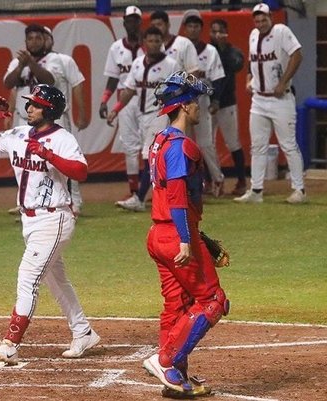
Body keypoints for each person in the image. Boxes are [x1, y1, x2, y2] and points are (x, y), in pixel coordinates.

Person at [0, 85, 100, 365]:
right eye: (30, 104)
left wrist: (48, 155)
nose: (29, 108)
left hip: (54, 218)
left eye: (35, 104)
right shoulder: (19, 134)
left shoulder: (62, 139)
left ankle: (11, 343)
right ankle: (83, 331)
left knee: (28, 277)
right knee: (56, 280)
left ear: (49, 109)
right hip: (29, 220)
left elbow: (81, 171)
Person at [142, 71, 229, 398]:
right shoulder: (181, 146)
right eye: (195, 102)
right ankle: (166, 361)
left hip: (158, 233)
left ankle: (174, 378)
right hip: (175, 235)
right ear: (184, 107)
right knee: (212, 301)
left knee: (177, 305)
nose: (198, 107)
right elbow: (177, 194)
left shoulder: (160, 141)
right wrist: (185, 238)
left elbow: (168, 195)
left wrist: (190, 230)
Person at [235, 3, 306, 204]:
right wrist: (249, 79)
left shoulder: (281, 31)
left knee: (288, 145)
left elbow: (297, 54)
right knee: (257, 146)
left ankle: (299, 189)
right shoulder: (253, 35)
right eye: (257, 20)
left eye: (263, 19)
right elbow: (252, 61)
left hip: (281, 98)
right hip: (259, 98)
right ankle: (256, 190)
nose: (260, 23)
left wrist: (283, 81)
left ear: (271, 17)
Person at [108, 26, 180, 212]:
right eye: (151, 40)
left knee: (150, 156)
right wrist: (116, 109)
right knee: (153, 158)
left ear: (162, 43)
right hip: (141, 116)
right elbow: (130, 89)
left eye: (158, 41)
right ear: (144, 42)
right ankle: (165, 196)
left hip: (159, 115)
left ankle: (139, 198)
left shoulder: (171, 64)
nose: (154, 44)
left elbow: (180, 89)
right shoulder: (138, 62)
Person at [99, 5, 145, 203]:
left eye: (135, 19)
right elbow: (112, 77)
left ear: (140, 22)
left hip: (147, 99)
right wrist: (104, 100)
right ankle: (135, 190)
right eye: (129, 20)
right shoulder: (117, 47)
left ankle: (151, 189)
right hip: (124, 100)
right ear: (124, 23)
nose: (132, 23)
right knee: (129, 146)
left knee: (150, 146)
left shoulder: (149, 45)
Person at [43, 25, 90, 216]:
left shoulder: (63, 60)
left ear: (51, 39)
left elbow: (77, 84)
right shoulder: (27, 64)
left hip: (59, 117)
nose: (41, 41)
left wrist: (81, 113)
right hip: (37, 120)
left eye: (45, 37)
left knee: (69, 157)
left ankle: (75, 201)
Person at [182, 10, 227, 197]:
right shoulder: (179, 48)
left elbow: (218, 79)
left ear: (201, 28)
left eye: (196, 26)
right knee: (184, 144)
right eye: (190, 26)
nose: (193, 29)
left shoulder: (210, 51)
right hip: (183, 103)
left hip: (201, 101)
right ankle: (192, 183)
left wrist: (216, 100)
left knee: (206, 144)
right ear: (185, 28)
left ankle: (218, 178)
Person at [210, 19, 247, 196]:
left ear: (226, 33)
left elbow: (237, 64)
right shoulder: (206, 51)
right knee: (206, 144)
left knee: (232, 142)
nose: (217, 35)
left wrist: (224, 49)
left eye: (220, 31)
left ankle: (241, 180)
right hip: (208, 104)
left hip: (226, 103)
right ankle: (212, 180)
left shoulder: (233, 51)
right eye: (214, 31)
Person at [4, 23, 57, 126]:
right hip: (24, 120)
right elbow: (8, 84)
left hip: (47, 121)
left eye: (38, 38)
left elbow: (50, 81)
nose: (34, 42)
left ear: (44, 41)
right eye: (30, 39)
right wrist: (20, 67)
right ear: (26, 42)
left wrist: (31, 63)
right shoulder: (18, 62)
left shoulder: (53, 59)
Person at [150, 10, 200, 76]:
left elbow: (193, 72)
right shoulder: (150, 46)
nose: (156, 28)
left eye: (159, 24)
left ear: (168, 25)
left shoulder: (184, 43)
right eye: (153, 25)